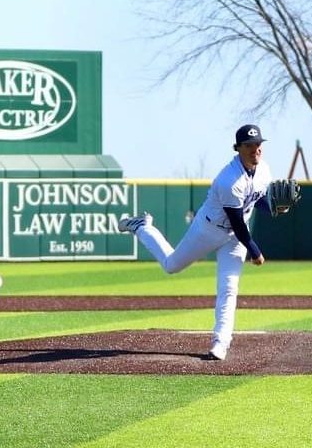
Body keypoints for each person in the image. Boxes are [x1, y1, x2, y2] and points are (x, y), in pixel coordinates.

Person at [118, 123, 292, 361]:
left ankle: (220, 342)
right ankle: (143, 227)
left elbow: (258, 199)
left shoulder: (264, 170)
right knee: (171, 265)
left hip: (234, 239)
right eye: (249, 145)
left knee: (229, 288)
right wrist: (254, 250)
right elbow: (238, 222)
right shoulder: (228, 180)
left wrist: (271, 207)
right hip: (209, 229)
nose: (255, 150)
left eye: (258, 145)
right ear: (238, 148)